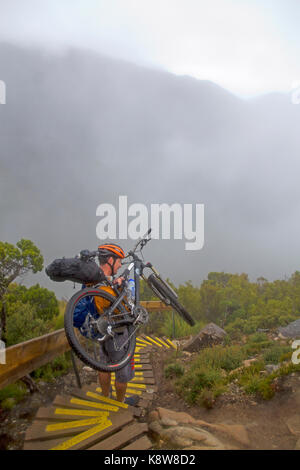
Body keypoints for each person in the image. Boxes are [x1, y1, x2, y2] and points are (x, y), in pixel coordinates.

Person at [95, 243, 138, 406]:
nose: (120, 265)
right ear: (110, 260)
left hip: (101, 330)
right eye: (119, 261)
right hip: (118, 334)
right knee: (122, 372)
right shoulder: (106, 285)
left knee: (104, 366)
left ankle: (105, 397)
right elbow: (119, 308)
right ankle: (120, 402)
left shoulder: (95, 279)